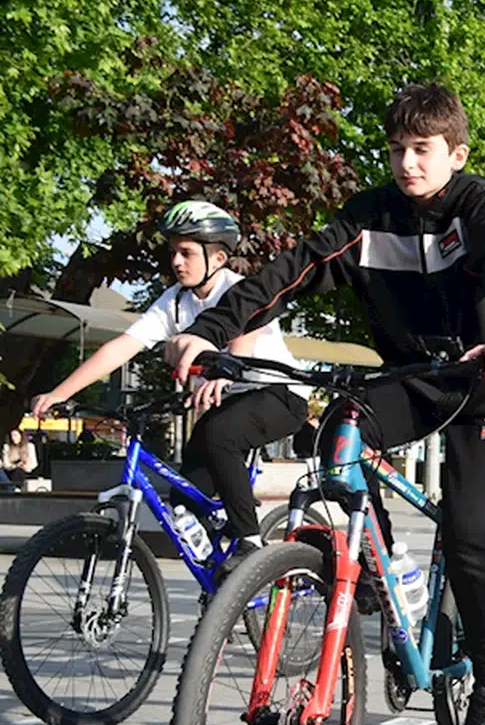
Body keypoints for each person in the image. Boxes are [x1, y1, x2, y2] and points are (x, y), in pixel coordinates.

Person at [165, 83, 485, 725]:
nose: (406, 163)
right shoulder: (368, 216)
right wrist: (209, 329)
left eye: (422, 150)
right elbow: (287, 273)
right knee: (337, 434)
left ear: (455, 153)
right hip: (408, 383)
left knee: (466, 529)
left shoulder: (474, 203)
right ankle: (381, 576)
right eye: (396, 149)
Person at [31, 201, 309, 573]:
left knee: (220, 434)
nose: (177, 261)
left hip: (279, 395)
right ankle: (221, 590)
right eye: (173, 252)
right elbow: (122, 346)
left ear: (219, 257)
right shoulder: (174, 302)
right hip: (227, 403)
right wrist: (60, 393)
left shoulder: (240, 290)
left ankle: (250, 543)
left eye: (187, 252)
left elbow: (244, 335)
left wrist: (222, 372)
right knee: (183, 498)